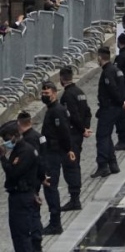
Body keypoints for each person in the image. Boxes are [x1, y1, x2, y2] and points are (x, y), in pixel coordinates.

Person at [1, 118, 42, 252]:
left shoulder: (24, 151)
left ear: (15, 136)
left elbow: (14, 173)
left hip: (22, 196)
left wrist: (2, 157)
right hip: (22, 195)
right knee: (19, 234)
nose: (5, 141)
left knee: (22, 235)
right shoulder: (20, 149)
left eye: (6, 138)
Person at [38, 83, 73, 235]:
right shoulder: (51, 110)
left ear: (54, 93)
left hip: (53, 153)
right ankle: (54, 221)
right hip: (49, 153)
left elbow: (64, 133)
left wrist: (68, 149)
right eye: (43, 93)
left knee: (51, 188)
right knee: (49, 188)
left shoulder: (57, 111)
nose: (44, 95)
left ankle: (55, 223)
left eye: (47, 93)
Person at [92, 45, 125, 178]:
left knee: (101, 136)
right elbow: (122, 88)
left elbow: (113, 90)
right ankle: (113, 164)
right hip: (117, 108)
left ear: (100, 58)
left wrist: (121, 102)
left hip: (109, 108)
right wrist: (124, 102)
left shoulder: (107, 72)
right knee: (107, 136)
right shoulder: (116, 69)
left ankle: (103, 165)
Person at [56, 68, 87, 211]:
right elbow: (88, 112)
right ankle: (75, 198)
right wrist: (86, 128)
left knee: (71, 166)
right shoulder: (80, 92)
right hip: (78, 135)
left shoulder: (67, 96)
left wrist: (81, 129)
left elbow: (72, 116)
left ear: (62, 79)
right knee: (75, 165)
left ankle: (75, 199)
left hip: (72, 135)